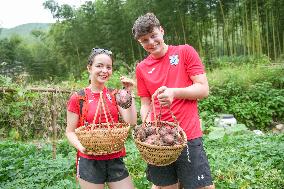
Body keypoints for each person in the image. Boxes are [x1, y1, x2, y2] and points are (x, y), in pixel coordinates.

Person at [132, 13, 215, 189]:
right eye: (145, 40)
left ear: (161, 31)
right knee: (165, 186)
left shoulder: (184, 52)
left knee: (201, 186)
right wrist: (147, 129)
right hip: (158, 142)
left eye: (154, 36)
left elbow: (203, 89)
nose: (151, 42)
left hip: (187, 135)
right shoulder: (141, 68)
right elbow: (146, 104)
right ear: (140, 42)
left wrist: (174, 93)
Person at [66, 48, 137, 189]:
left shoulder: (114, 94)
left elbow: (131, 121)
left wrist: (129, 93)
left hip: (114, 157)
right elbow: (69, 131)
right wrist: (82, 147)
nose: (104, 70)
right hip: (89, 161)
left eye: (108, 67)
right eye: (99, 66)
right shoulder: (78, 97)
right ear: (89, 68)